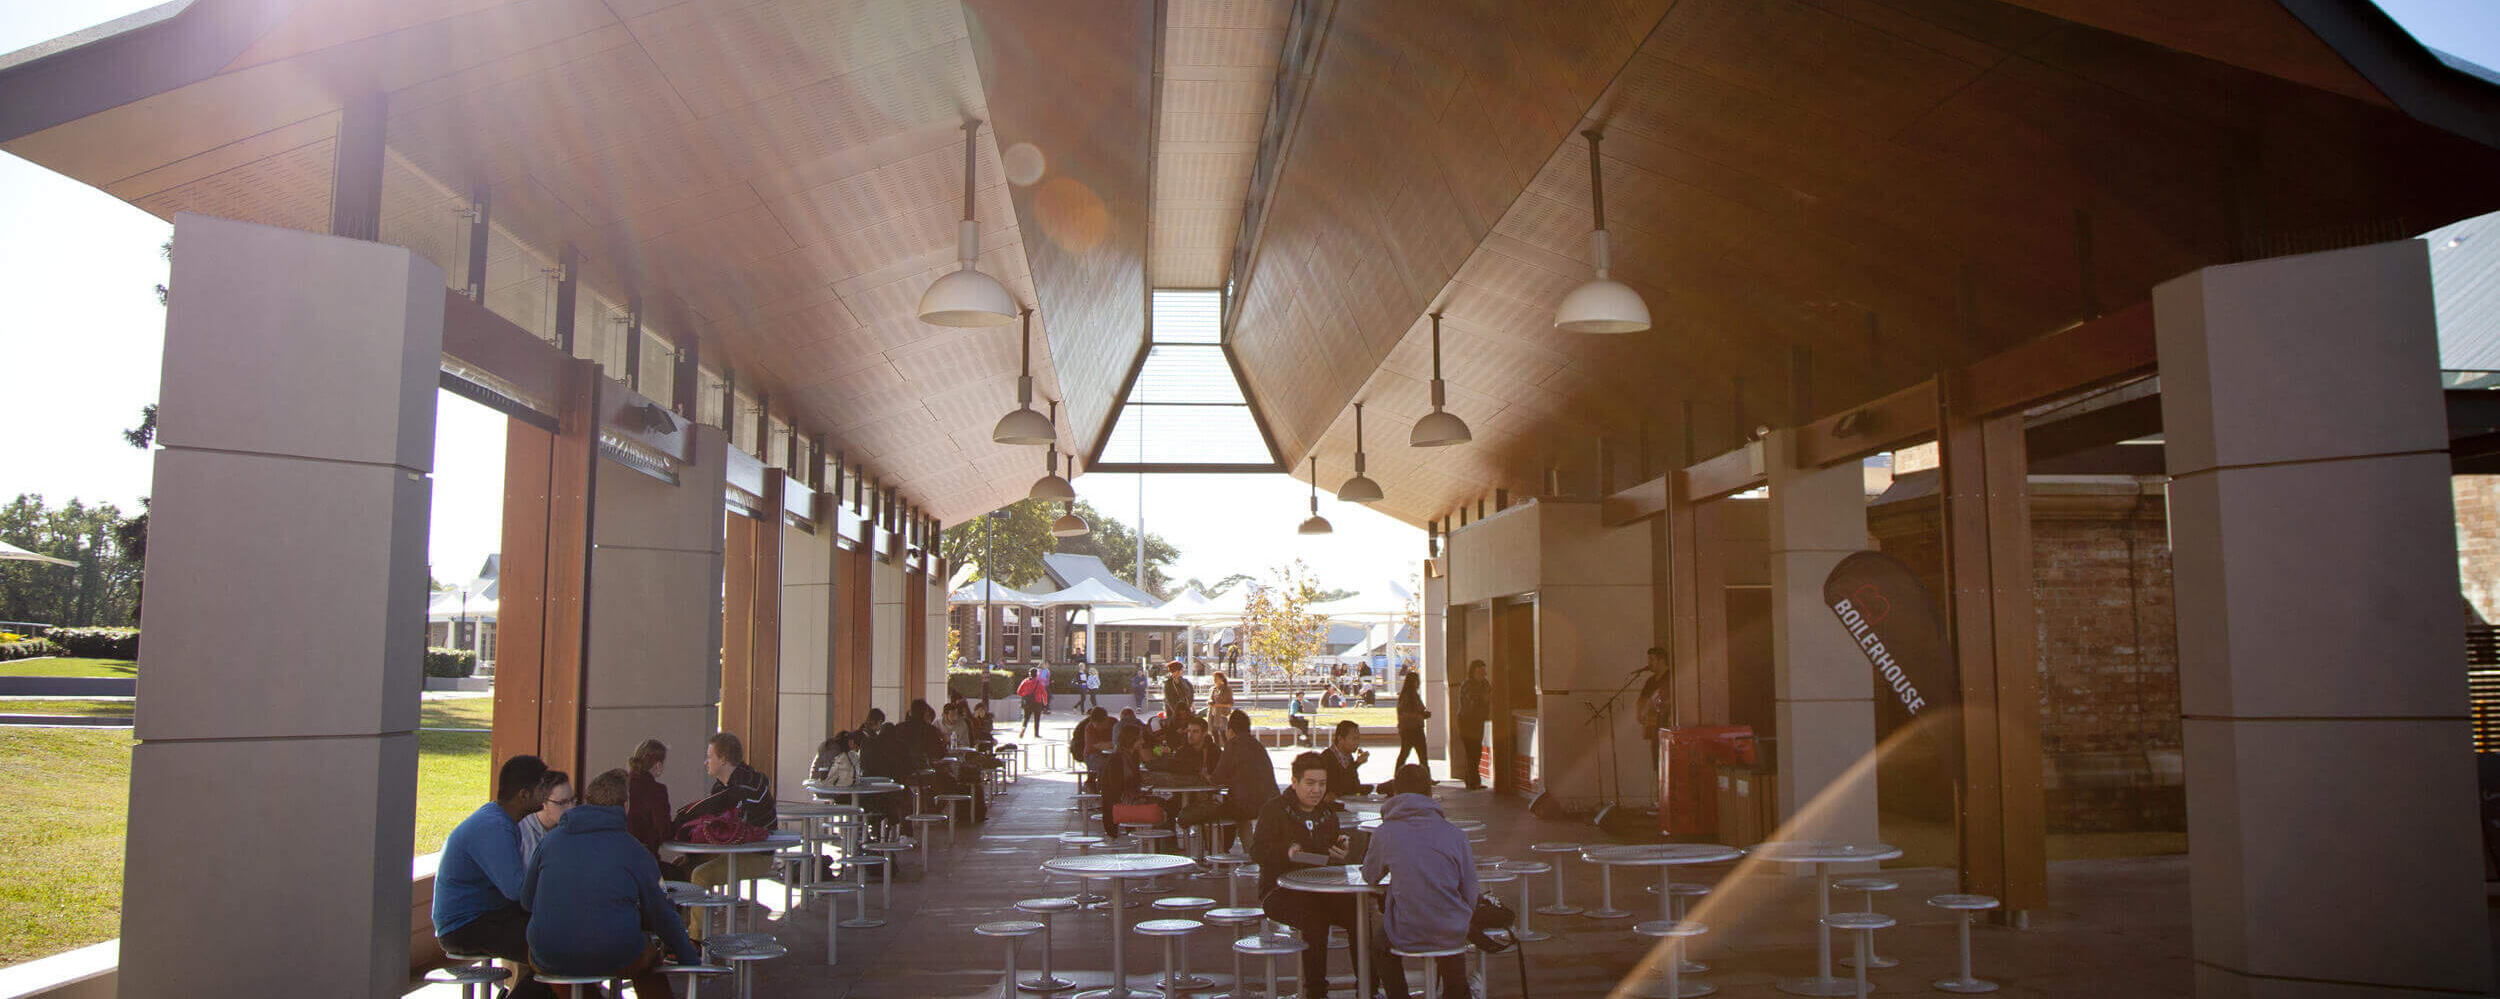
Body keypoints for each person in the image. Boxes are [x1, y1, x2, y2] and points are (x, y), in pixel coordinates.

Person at [522, 768, 700, 998]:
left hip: (549, 951)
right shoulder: (633, 849)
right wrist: (689, 957)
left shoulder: (550, 841)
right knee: (647, 956)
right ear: (624, 806)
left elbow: (526, 900)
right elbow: (662, 914)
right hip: (616, 950)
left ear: (586, 802)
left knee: (558, 961)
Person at [435, 754, 557, 999]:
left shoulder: (502, 821)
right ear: (524, 794)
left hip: (489, 915)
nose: (548, 795)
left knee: (560, 939)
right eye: (543, 788)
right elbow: (517, 891)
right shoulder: (494, 827)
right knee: (554, 953)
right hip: (465, 925)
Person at [1363, 765, 1479, 999]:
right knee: (1448, 931)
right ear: (1429, 795)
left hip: (1406, 930)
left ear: (1395, 793)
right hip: (1451, 929)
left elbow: (1369, 875)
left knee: (1379, 943)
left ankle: (1398, 995)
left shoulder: (1385, 832)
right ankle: (1456, 992)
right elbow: (1470, 891)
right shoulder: (1455, 834)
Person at [1253, 752, 1358, 999]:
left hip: (1321, 888)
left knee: (1360, 913)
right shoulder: (1274, 810)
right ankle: (1315, 991)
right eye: (1310, 783)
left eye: (1322, 784)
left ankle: (1368, 987)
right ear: (1294, 782)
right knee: (1315, 920)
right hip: (1279, 891)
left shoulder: (1327, 814)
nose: (1317, 790)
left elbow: (1330, 852)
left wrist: (1341, 851)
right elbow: (1256, 851)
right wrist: (1285, 852)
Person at [671, 732, 775, 891]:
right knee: (683, 867)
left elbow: (742, 833)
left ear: (723, 759)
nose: (706, 762)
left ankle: (703, 916)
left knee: (700, 875)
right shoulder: (723, 787)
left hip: (756, 854)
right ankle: (689, 916)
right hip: (732, 850)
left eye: (709, 757)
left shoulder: (746, 789)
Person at [1183, 709, 1276, 852]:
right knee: (1242, 819)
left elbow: (1217, 779)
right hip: (1268, 803)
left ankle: (1216, 856)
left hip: (1245, 806)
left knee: (1196, 814)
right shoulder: (1257, 745)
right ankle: (1250, 854)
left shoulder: (1233, 744)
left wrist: (1207, 777)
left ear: (1231, 731)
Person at [623, 740, 681, 877]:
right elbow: (665, 833)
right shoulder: (657, 791)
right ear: (658, 765)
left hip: (620, 865)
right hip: (645, 867)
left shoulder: (621, 784)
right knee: (687, 874)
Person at [516, 769, 573, 865]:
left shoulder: (570, 829)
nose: (571, 808)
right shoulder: (518, 833)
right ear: (542, 803)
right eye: (562, 803)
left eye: (573, 800)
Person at [1455, 660, 1491, 791]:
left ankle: (1472, 780)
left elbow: (1490, 696)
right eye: (1480, 671)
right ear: (1473, 672)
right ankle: (1472, 781)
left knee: (1476, 751)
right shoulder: (1467, 684)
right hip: (1466, 721)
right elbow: (1474, 699)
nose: (1483, 674)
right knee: (1471, 751)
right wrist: (1483, 698)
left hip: (1478, 721)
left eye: (1484, 671)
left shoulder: (1485, 684)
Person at [1392, 670, 1432, 778]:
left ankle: (1397, 775)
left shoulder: (1407, 695)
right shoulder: (1410, 696)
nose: (1418, 683)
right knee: (1421, 754)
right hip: (1413, 729)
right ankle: (1426, 777)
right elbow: (1409, 712)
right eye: (1417, 681)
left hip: (1408, 729)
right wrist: (1422, 715)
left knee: (1406, 753)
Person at [1323, 720, 1372, 798]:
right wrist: (1357, 764)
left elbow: (1353, 785)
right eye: (1354, 739)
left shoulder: (1348, 757)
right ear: (1340, 739)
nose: (1357, 742)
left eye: (1358, 738)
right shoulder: (1327, 758)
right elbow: (1340, 787)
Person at [1017, 668, 1045, 737]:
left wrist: (1025, 695)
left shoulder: (1025, 681)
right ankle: (1036, 734)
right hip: (1037, 702)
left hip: (1028, 702)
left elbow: (1019, 692)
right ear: (1037, 674)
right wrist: (1044, 702)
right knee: (1037, 718)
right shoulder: (1039, 682)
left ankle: (1023, 729)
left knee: (1026, 717)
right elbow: (1043, 692)